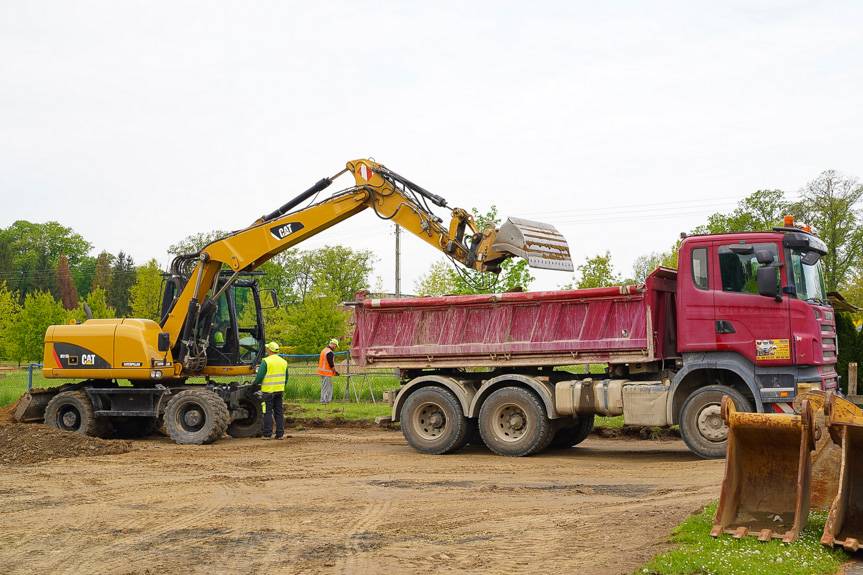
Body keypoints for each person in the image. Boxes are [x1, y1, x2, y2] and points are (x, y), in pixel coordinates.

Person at [254, 341, 288, 440]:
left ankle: (267, 434)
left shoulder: (266, 361)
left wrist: (254, 384)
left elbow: (260, 376)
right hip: (279, 390)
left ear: (269, 350)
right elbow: (286, 377)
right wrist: (281, 386)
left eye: (267, 348)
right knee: (279, 412)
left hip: (268, 391)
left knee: (267, 412)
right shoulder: (283, 362)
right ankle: (280, 434)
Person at [317, 338, 340, 404]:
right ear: (333, 344)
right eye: (335, 346)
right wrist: (335, 372)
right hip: (326, 373)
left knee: (327, 386)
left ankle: (327, 400)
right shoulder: (329, 352)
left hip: (322, 372)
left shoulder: (324, 350)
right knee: (326, 387)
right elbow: (331, 364)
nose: (335, 348)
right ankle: (323, 400)